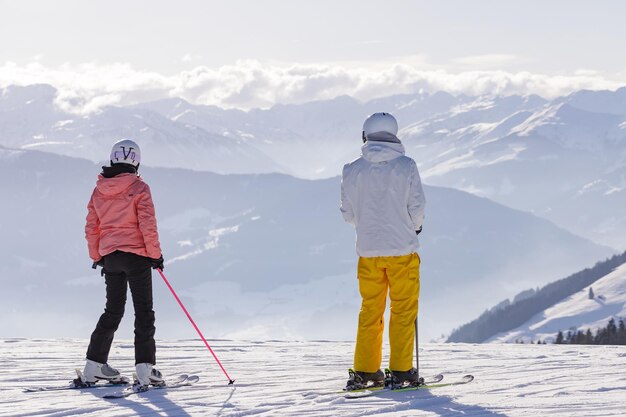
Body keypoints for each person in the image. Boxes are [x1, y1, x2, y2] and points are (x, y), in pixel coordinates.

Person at [340, 112, 426, 389]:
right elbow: (417, 208)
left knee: (370, 310)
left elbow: (348, 215)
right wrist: (414, 227)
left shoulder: (351, 169)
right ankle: (401, 371)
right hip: (402, 250)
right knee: (402, 310)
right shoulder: (406, 166)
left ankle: (366, 371)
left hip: (367, 252)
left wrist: (366, 227)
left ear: (366, 134)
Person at [82, 139, 165, 387]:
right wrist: (155, 255)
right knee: (144, 312)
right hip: (137, 256)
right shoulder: (140, 188)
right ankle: (145, 369)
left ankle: (93, 366)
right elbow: (147, 225)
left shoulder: (99, 190)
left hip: (110, 257)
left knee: (113, 310)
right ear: (136, 162)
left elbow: (91, 227)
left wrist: (97, 256)